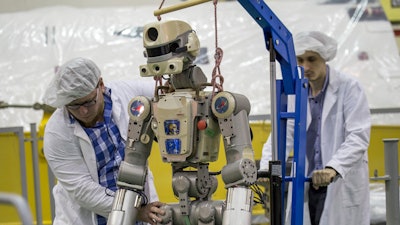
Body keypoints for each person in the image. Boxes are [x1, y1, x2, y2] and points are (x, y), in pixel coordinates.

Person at [259, 31, 371, 225]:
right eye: (300, 60)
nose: (306, 67)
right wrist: (266, 167)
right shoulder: (298, 92)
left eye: (312, 59)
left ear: (324, 58)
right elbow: (283, 134)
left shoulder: (349, 88)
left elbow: (358, 136)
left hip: (338, 179)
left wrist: (333, 168)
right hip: (307, 182)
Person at [43, 57, 165, 225]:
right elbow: (83, 190)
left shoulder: (125, 93)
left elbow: (166, 91)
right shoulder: (57, 132)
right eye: (74, 106)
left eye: (88, 102)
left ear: (100, 85)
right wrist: (135, 211)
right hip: (91, 217)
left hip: (139, 212)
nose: (84, 111)